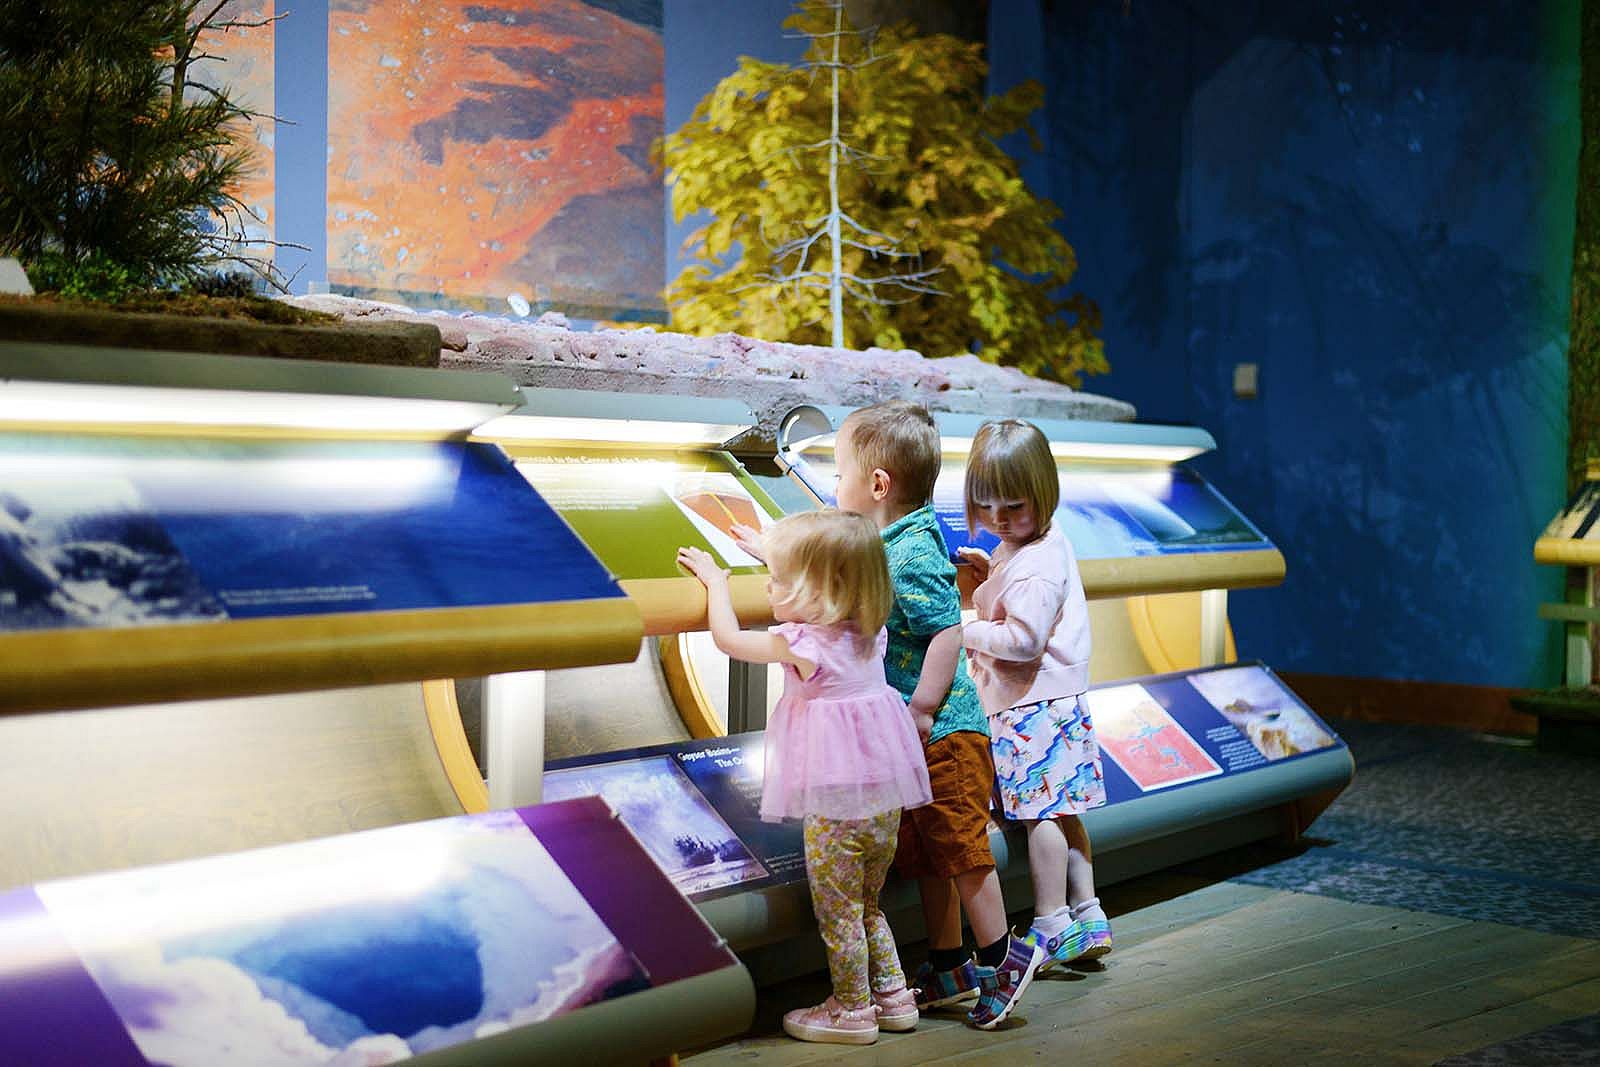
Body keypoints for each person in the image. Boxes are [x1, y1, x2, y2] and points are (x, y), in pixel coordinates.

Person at [797, 401, 1045, 1030]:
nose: (833, 486)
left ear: (877, 485)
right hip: (913, 732)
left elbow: (944, 633)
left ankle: (1004, 957)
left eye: (839, 474)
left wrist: (924, 708)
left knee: (960, 850)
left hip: (943, 731)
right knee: (927, 851)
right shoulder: (895, 540)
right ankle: (949, 961)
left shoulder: (906, 556)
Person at [677, 510, 933, 1046]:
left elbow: (727, 640)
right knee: (867, 904)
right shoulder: (865, 631)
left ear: (817, 590)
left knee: (837, 911)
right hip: (882, 798)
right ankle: (894, 997)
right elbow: (830, 567)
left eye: (778, 581)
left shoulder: (803, 645)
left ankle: (851, 1011)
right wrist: (769, 549)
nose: (769, 589)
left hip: (837, 808)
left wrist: (717, 583)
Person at [957, 418, 1112, 971]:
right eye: (987, 505)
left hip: (1030, 708)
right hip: (1058, 701)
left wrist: (962, 631)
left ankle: (1049, 923)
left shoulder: (1034, 568)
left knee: (1039, 815)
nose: (999, 518)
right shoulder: (1040, 544)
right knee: (1065, 811)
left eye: (1014, 507)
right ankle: (1087, 914)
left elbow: (1021, 641)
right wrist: (988, 576)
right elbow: (1016, 588)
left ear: (1044, 495)